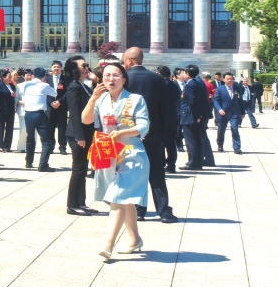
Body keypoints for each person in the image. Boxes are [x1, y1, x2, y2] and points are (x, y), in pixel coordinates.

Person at [85, 62, 151, 261]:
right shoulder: (101, 99)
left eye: (115, 75)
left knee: (117, 196)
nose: (110, 79)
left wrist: (123, 133)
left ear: (124, 79)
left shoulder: (135, 99)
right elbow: (86, 120)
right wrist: (93, 98)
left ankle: (108, 243)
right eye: (106, 75)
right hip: (109, 154)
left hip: (131, 156)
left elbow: (144, 125)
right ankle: (135, 239)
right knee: (124, 200)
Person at [122, 47, 176, 223]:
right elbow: (163, 109)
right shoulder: (157, 79)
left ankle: (139, 210)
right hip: (153, 134)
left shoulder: (124, 78)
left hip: (130, 134)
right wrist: (162, 132)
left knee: (135, 172)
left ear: (130, 60)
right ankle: (164, 210)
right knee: (157, 173)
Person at [63, 57, 99, 215]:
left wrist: (94, 81)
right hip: (77, 133)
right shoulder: (74, 87)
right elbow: (75, 113)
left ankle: (81, 202)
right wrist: (79, 136)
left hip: (86, 131)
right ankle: (72, 205)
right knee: (78, 169)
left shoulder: (82, 85)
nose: (87, 67)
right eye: (84, 65)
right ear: (75, 69)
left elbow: (95, 99)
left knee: (83, 169)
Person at [17, 67, 59, 172]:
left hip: (28, 114)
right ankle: (43, 164)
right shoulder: (44, 85)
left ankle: (29, 162)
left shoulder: (26, 85)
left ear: (33, 75)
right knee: (47, 141)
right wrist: (46, 83)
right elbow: (55, 93)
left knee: (30, 138)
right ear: (44, 76)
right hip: (39, 114)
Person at [180, 64, 211, 170]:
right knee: (196, 139)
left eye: (184, 72)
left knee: (191, 140)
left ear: (188, 74)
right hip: (194, 115)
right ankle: (197, 162)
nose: (183, 74)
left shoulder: (190, 84)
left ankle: (193, 162)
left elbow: (192, 101)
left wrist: (197, 115)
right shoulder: (196, 82)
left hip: (189, 116)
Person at [213, 72, 245, 154]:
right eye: (228, 79)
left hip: (234, 113)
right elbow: (215, 100)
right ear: (224, 80)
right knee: (221, 130)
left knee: (235, 129)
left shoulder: (236, 88)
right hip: (223, 113)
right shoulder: (220, 89)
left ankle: (237, 147)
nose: (230, 80)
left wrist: (242, 112)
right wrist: (219, 109)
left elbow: (240, 100)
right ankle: (220, 145)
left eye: (231, 79)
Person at [0, 70, 16, 152]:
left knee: (10, 128)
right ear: (3, 77)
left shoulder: (12, 86)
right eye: (9, 77)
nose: (10, 78)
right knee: (0, 128)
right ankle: (0, 145)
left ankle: (7, 146)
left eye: (10, 77)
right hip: (1, 110)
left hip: (10, 110)